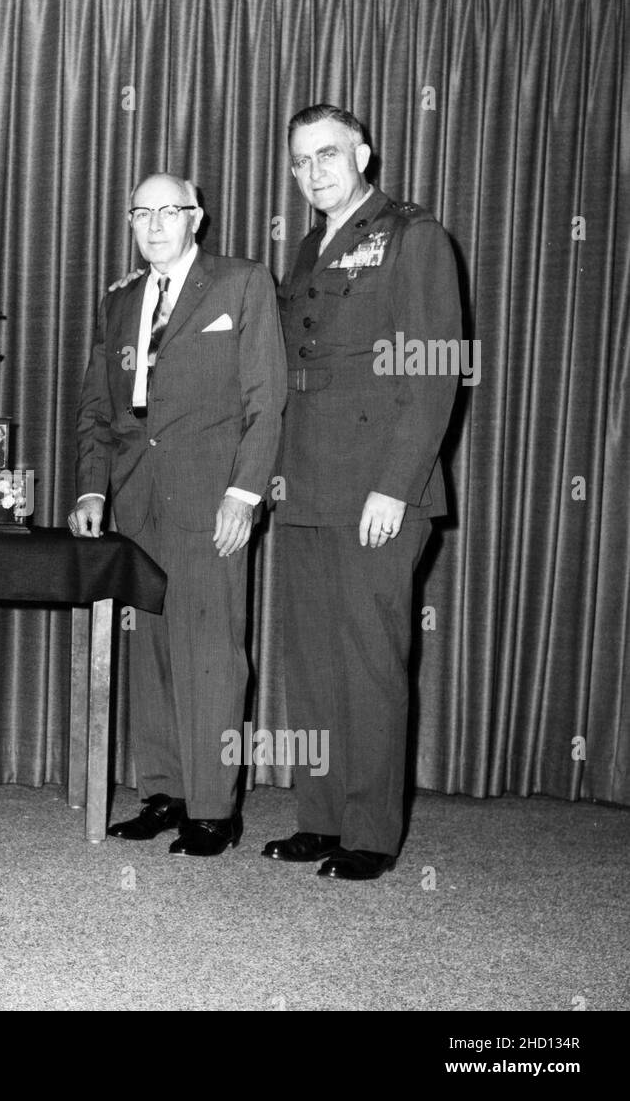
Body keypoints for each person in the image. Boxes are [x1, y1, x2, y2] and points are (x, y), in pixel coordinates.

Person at [264, 105, 460, 880]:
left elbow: (434, 369)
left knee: (371, 661)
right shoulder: (312, 246)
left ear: (364, 152)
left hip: (379, 486)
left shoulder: (415, 237)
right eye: (302, 160)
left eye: (329, 154)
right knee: (312, 663)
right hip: (306, 482)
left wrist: (395, 486)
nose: (315, 170)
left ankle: (371, 833)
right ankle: (320, 817)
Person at [70, 173, 286, 856]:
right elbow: (97, 408)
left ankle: (214, 810)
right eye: (142, 212)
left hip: (210, 498)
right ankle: (163, 791)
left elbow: (267, 397)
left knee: (211, 656)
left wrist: (244, 493)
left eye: (170, 211)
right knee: (153, 653)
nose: (156, 224)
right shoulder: (121, 301)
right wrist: (91, 490)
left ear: (197, 217)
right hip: (136, 503)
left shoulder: (242, 283)